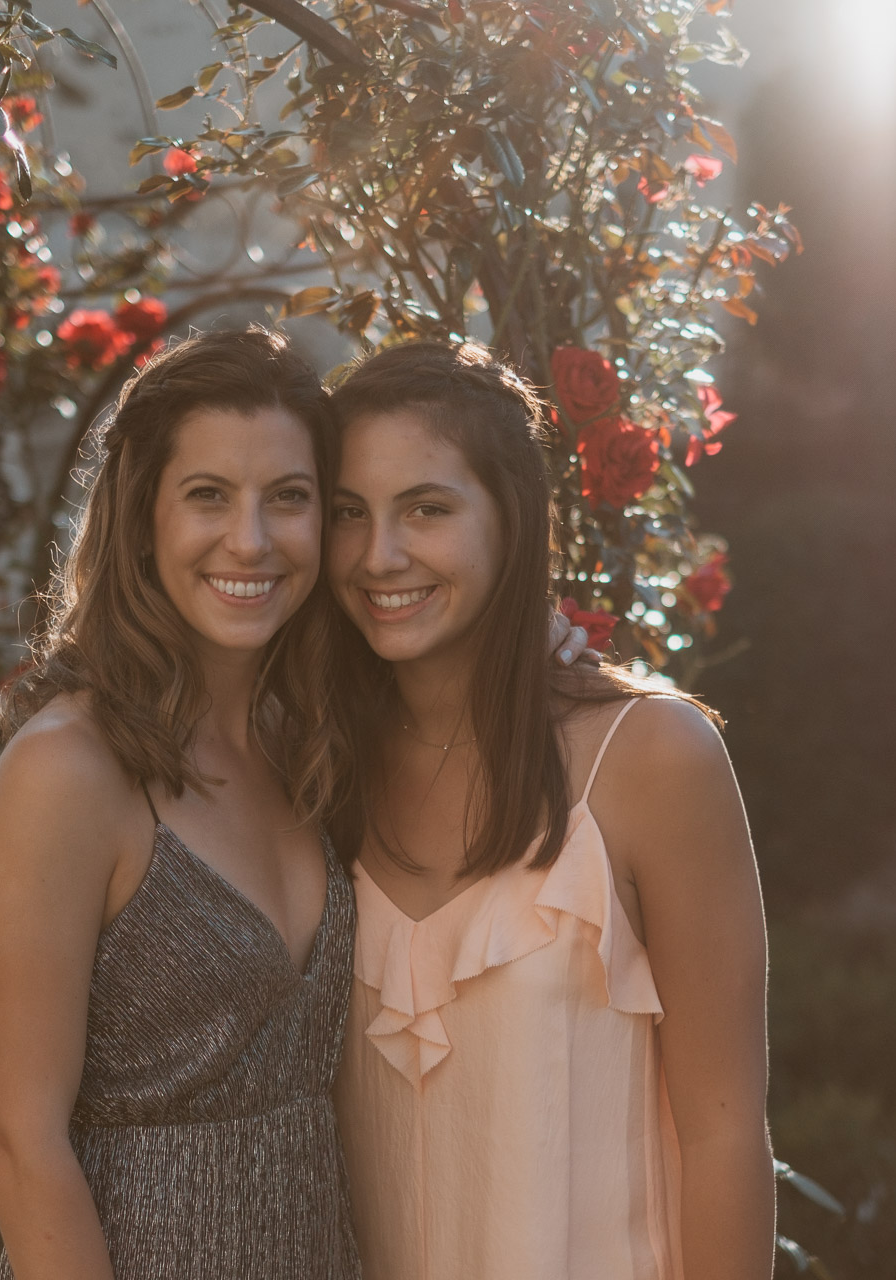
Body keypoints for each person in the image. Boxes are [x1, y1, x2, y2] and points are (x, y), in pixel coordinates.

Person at [319, 341, 776, 1280]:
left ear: (514, 520)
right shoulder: (318, 768)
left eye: (428, 509)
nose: (380, 556)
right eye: (348, 516)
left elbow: (725, 1140)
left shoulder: (652, 759)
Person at [0, 327, 361, 1280]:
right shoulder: (67, 771)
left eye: (289, 499)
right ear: (144, 516)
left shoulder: (298, 743)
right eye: (208, 496)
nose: (251, 539)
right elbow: (15, 1138)